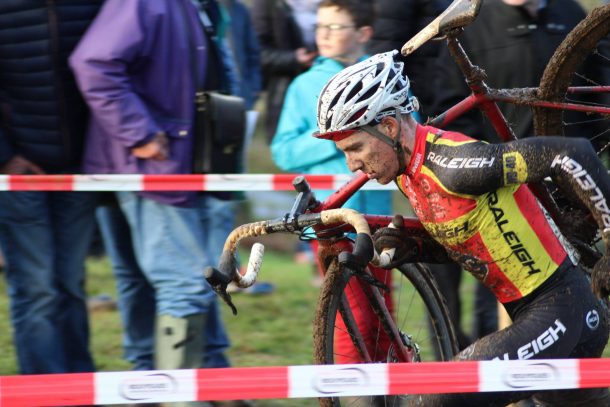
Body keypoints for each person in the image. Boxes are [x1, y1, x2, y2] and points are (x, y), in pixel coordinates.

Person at [314, 50, 610, 406]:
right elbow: (473, 239)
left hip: (562, 312)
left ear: (389, 127)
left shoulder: (456, 164)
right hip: (543, 318)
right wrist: (416, 247)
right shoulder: (410, 173)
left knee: (437, 397)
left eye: (356, 148)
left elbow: (572, 154)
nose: (352, 164)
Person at [69, 3, 248, 406]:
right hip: (153, 166)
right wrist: (140, 133)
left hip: (173, 166)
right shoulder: (143, 3)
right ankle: (180, 398)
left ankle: (196, 387)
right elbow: (94, 64)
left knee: (174, 283)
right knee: (184, 285)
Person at [0, 1, 104, 375]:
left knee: (70, 282)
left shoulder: (94, 6)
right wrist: (5, 157)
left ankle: (79, 385)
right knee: (36, 287)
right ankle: (44, 389)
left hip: (79, 170)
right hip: (20, 173)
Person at [251, 0, 320, 143]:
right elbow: (257, 51)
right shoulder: (268, 5)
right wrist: (293, 58)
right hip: (284, 88)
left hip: (323, 81)